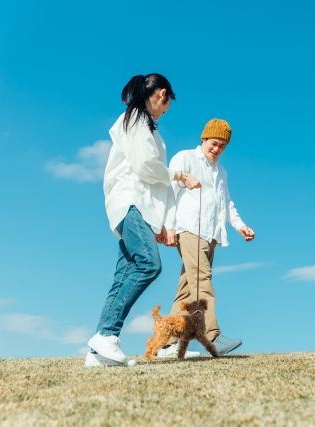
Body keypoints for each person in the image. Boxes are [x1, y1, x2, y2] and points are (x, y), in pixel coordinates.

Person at [85, 74, 201, 367]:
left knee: (123, 276)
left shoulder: (146, 126)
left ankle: (98, 353)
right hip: (130, 202)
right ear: (163, 94)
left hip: (137, 206)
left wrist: (162, 222)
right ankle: (107, 334)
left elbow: (152, 179)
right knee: (150, 264)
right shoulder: (136, 118)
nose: (167, 110)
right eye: (168, 103)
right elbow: (147, 168)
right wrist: (179, 175)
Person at [155, 118, 255, 358]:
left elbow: (226, 203)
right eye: (213, 143)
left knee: (188, 289)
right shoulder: (185, 158)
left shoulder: (221, 171)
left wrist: (240, 225)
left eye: (222, 145)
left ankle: (166, 344)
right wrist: (167, 227)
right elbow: (169, 192)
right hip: (188, 229)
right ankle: (213, 336)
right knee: (203, 280)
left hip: (211, 234)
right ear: (204, 138)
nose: (217, 148)